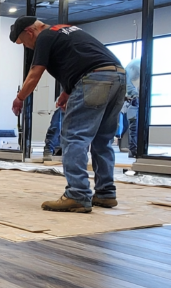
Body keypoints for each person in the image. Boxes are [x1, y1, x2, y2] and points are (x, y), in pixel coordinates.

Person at [9, 17, 126, 213]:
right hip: (117, 76)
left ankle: (77, 194)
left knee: (73, 137)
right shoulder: (64, 30)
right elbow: (80, 62)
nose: (28, 48)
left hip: (94, 78)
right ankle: (106, 193)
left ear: (30, 32)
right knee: (102, 139)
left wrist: (20, 98)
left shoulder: (44, 37)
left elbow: (35, 73)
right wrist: (67, 92)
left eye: (24, 42)